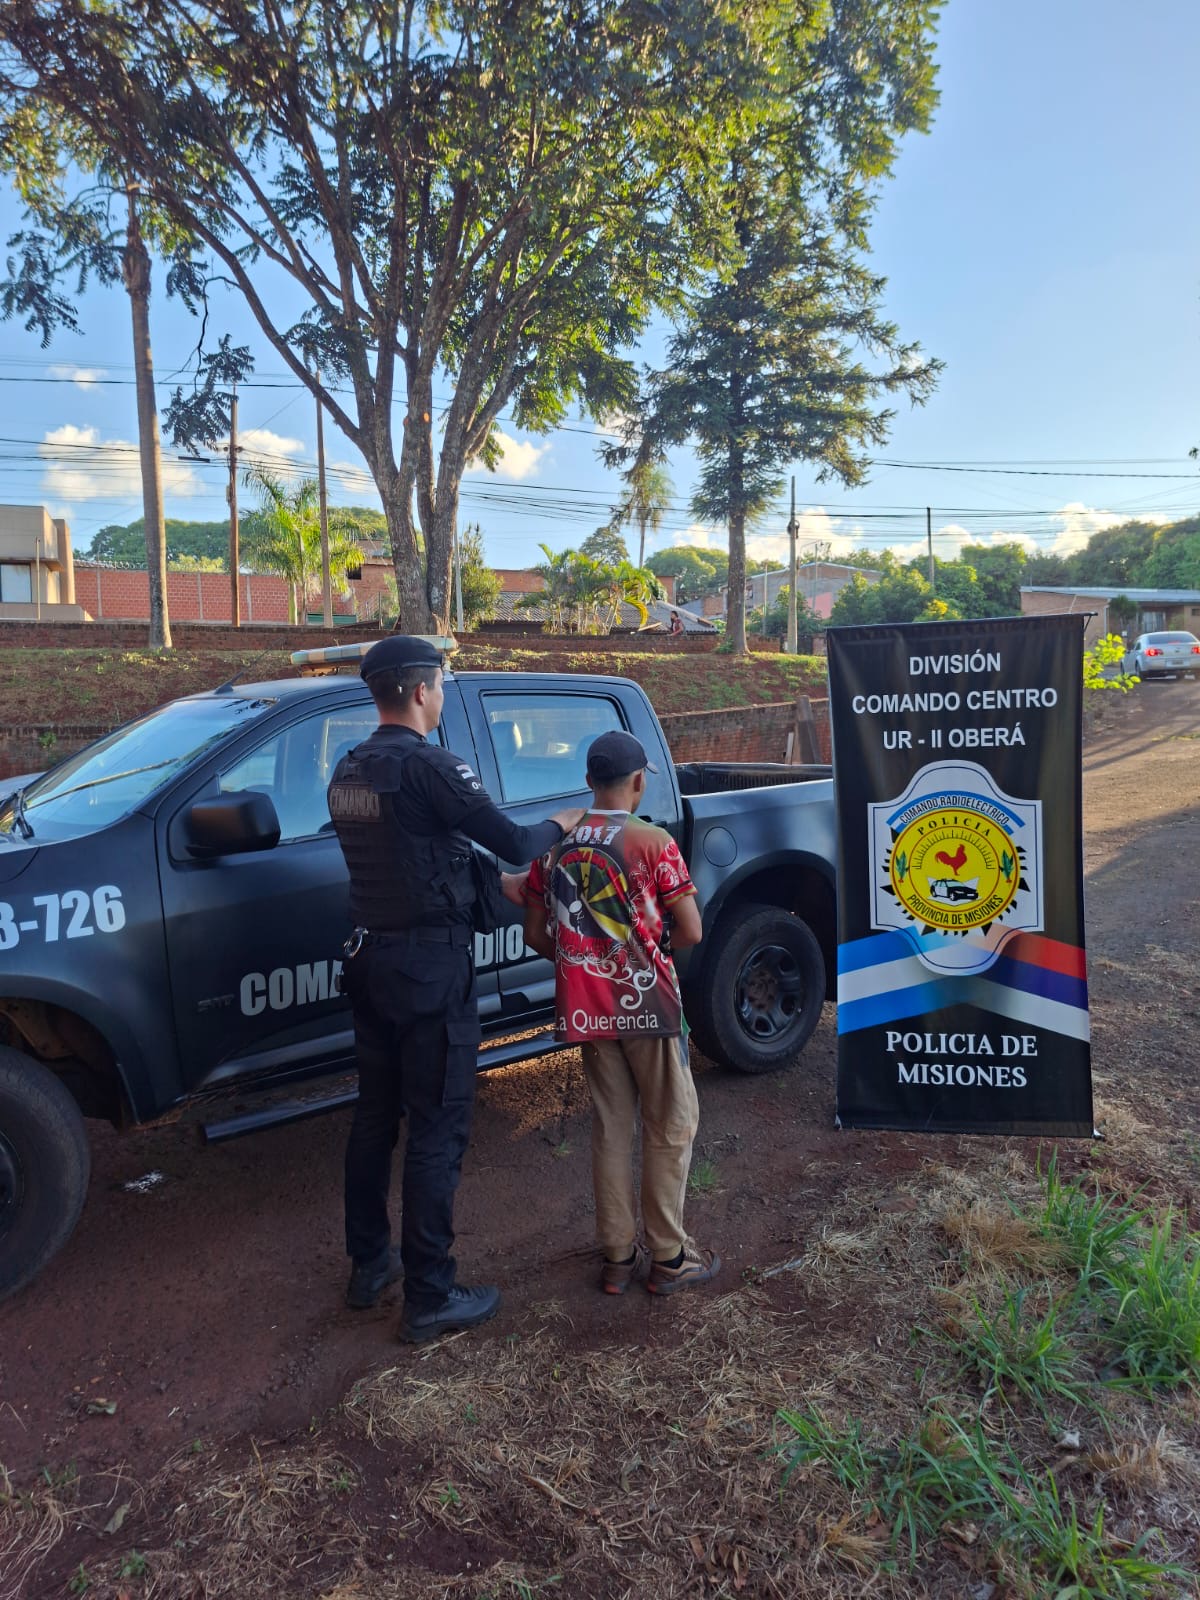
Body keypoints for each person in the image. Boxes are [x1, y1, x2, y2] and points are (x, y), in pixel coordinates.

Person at [327, 635, 584, 1343]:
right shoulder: (431, 766)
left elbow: (423, 858)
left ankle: (369, 1267)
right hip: (427, 973)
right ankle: (431, 1297)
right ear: (419, 691)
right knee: (438, 1127)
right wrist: (566, 821)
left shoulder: (348, 769)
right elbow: (515, 841)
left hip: (370, 962)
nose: (444, 695)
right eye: (441, 684)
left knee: (375, 1119)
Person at [522, 730, 720, 1297]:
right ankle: (669, 1256)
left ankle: (615, 1256)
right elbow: (691, 930)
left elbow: (539, 931)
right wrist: (643, 952)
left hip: (588, 1009)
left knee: (611, 1126)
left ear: (588, 781)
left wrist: (583, 960)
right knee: (672, 1123)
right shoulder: (652, 842)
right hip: (648, 1004)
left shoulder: (554, 845)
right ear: (637, 783)